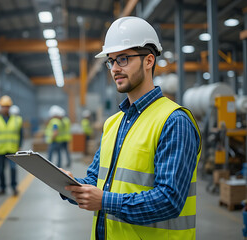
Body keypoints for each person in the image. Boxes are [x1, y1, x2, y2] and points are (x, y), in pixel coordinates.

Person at [61, 16, 201, 240]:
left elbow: (169, 200)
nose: (115, 68)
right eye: (111, 61)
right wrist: (68, 185)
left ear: (149, 61)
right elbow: (97, 181)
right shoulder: (113, 123)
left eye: (123, 59)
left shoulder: (174, 121)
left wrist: (104, 201)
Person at [0, 96, 23, 196]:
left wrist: (19, 145)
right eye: (3, 106)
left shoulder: (17, 120)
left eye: (7, 106)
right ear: (0, 108)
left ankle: (14, 187)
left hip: (12, 149)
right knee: (0, 170)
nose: (5, 109)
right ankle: (2, 188)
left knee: (13, 169)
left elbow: (20, 134)